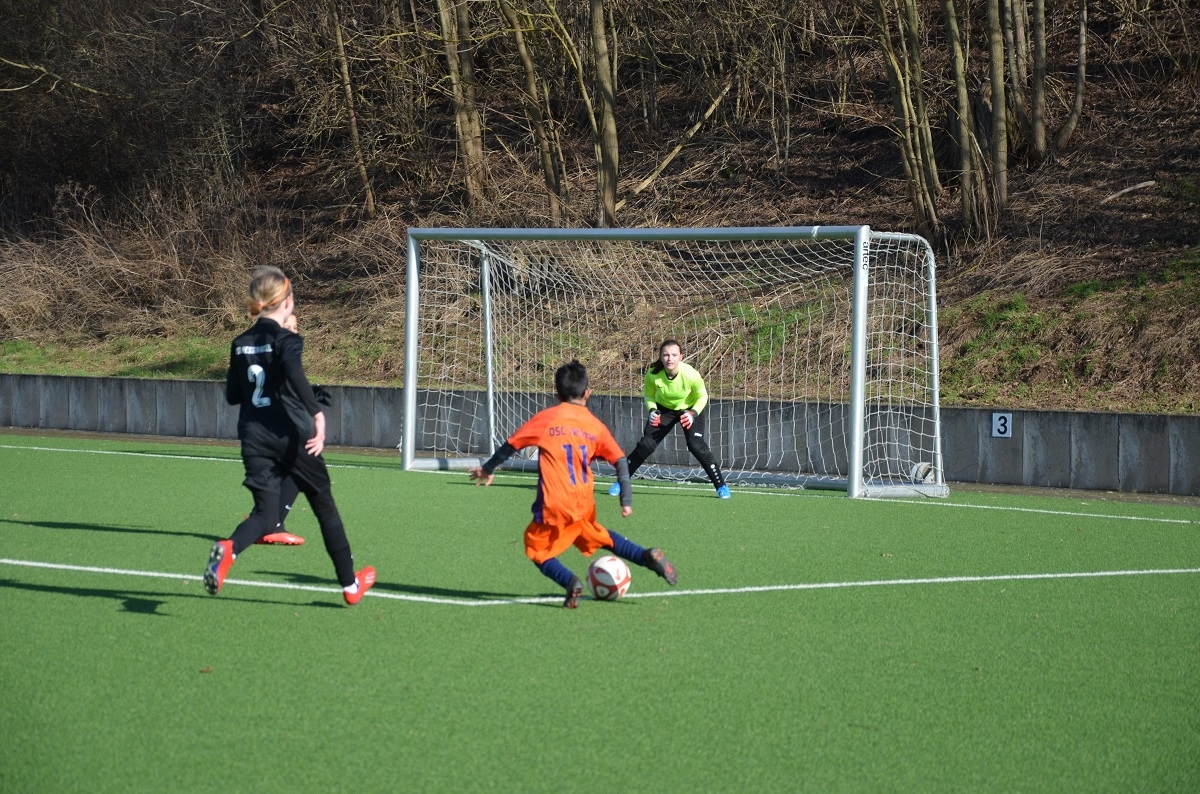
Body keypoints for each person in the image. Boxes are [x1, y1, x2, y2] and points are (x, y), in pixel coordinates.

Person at [203, 266, 375, 605]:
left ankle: (229, 549)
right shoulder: (288, 340)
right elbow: (294, 374)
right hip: (292, 435)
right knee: (324, 506)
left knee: (265, 517)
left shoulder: (239, 343)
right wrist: (317, 414)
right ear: (286, 301)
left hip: (253, 436)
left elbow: (233, 396)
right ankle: (350, 585)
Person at [468, 360, 678, 608]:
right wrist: (626, 498)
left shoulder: (547, 419)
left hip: (554, 502)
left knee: (535, 547)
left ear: (557, 394)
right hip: (583, 501)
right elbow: (621, 460)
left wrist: (487, 468)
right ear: (588, 393)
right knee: (600, 536)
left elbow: (511, 445)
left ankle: (570, 582)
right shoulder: (595, 426)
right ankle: (645, 555)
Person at [608, 339, 731, 499]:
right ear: (660, 357)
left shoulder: (690, 374)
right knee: (646, 445)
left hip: (689, 409)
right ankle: (621, 482)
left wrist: (692, 413)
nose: (670, 358)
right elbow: (649, 395)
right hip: (664, 409)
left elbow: (702, 396)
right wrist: (652, 410)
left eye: (674, 355)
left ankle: (721, 486)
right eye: (666, 355)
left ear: (681, 357)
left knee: (696, 445)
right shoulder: (653, 374)